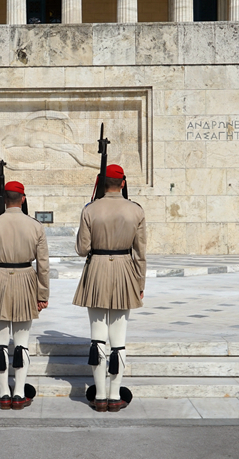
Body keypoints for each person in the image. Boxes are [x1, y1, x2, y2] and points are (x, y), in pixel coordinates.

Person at [73, 164, 146, 412]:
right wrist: (140, 283)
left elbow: (82, 249)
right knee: (119, 341)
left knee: (97, 339)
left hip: (97, 270)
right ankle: (115, 396)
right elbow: (140, 253)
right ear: (122, 183)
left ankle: (100, 395)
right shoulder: (135, 210)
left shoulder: (90, 209)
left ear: (102, 184)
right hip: (125, 271)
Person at [0, 181, 50, 410]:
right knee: (22, 343)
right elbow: (43, 265)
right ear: (23, 199)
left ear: (3, 200)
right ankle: (19, 393)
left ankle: (4, 393)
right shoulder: (36, 226)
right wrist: (43, 293)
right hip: (26, 279)